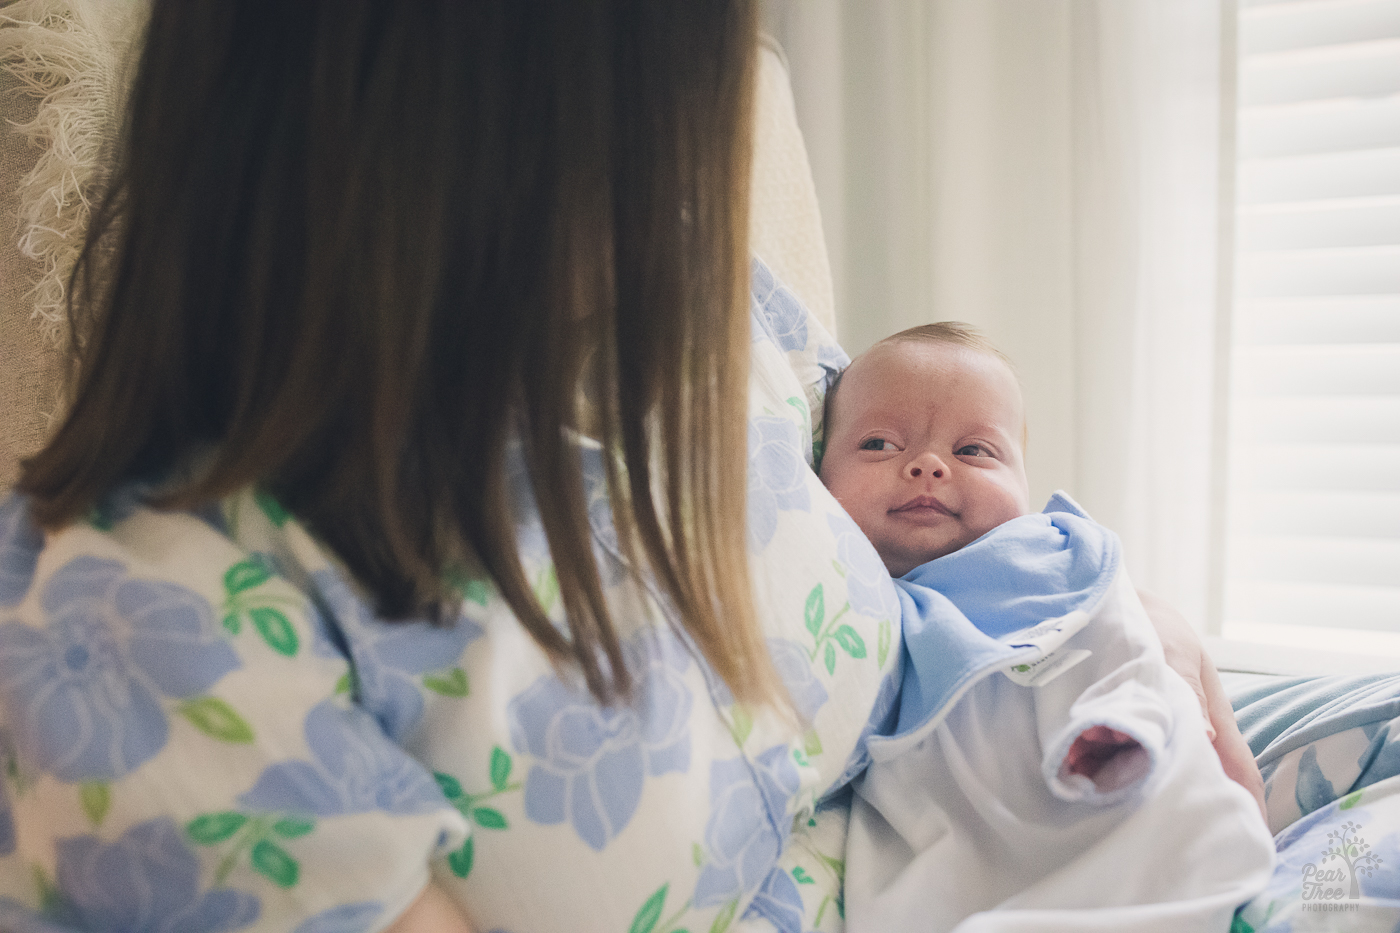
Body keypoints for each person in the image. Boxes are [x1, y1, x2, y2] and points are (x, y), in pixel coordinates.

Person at [0, 3, 1262, 931]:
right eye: (662, 120)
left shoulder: (697, 316)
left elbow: (926, 486)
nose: (694, 181)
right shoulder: (136, 630)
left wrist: (1108, 615)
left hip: (983, 790)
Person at [818, 323, 1274, 930]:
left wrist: (1134, 718)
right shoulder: (832, 585)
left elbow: (1126, 641)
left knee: (1193, 852)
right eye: (878, 443)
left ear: (1025, 486)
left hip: (1106, 768)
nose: (927, 466)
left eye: (974, 451)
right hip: (951, 843)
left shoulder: (1046, 554)